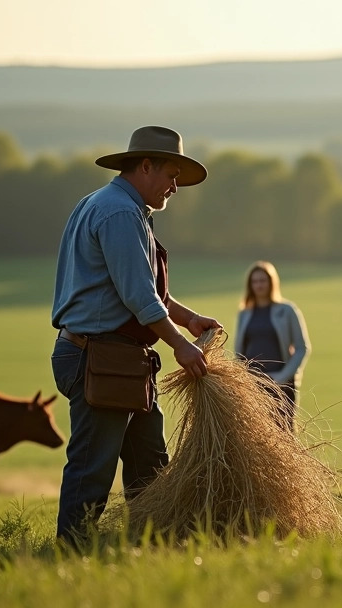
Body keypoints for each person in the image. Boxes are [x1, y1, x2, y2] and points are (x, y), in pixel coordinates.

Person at [51, 126, 222, 545]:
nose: (175, 188)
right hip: (102, 358)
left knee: (149, 462)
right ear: (145, 166)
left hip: (121, 360)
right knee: (93, 464)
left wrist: (188, 319)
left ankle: (151, 542)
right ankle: (72, 551)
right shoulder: (121, 213)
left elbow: (143, 289)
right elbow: (138, 296)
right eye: (170, 176)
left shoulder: (108, 205)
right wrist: (180, 345)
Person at [234, 261, 310, 429]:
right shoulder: (244, 314)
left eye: (263, 280)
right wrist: (241, 379)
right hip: (252, 384)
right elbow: (239, 352)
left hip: (281, 384)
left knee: (284, 435)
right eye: (255, 281)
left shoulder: (287, 310)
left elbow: (301, 347)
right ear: (250, 285)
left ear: (271, 282)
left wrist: (284, 376)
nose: (259, 285)